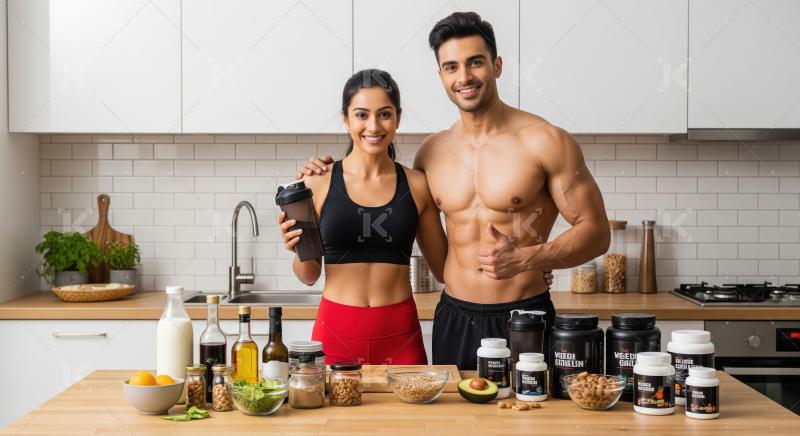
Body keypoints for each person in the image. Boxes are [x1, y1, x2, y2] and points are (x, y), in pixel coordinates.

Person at [298, 13, 609, 370]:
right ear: (441, 76)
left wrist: (531, 258)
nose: (464, 77)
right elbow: (378, 192)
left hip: (525, 315)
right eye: (451, 67)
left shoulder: (545, 141)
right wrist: (322, 175)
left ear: (497, 65)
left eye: (475, 62)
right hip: (455, 315)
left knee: (527, 422)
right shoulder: (432, 154)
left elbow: (596, 233)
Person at [278, 69, 447, 365]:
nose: (373, 125)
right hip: (335, 333)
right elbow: (309, 275)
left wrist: (529, 270)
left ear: (397, 117)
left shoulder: (417, 185)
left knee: (410, 414)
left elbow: (446, 270)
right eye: (361, 115)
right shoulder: (317, 183)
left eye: (384, 114)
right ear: (345, 119)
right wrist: (296, 246)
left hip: (401, 336)